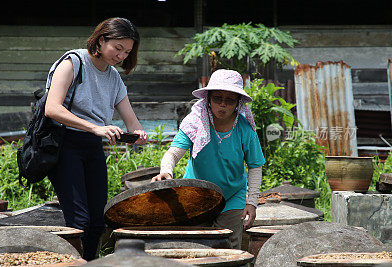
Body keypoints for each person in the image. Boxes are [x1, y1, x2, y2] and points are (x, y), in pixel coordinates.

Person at [45, 17, 148, 260]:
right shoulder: (73, 62)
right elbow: (52, 108)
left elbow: (132, 121)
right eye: (118, 48)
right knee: (79, 220)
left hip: (92, 147)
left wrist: (138, 134)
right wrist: (95, 127)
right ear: (101, 40)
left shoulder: (114, 77)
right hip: (64, 143)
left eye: (127, 51)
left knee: (98, 221)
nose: (121, 56)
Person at [152, 69, 265, 249]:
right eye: (217, 98)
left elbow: (255, 166)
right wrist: (166, 171)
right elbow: (173, 153)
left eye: (229, 100)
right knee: (197, 245)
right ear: (208, 99)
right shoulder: (195, 122)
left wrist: (252, 202)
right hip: (197, 193)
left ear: (237, 103)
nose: (222, 105)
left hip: (232, 196)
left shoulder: (245, 128)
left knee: (229, 244)